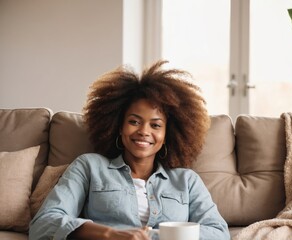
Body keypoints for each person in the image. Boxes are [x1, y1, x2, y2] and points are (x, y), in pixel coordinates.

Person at [29, 61, 230, 240]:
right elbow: (44, 224)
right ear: (119, 126)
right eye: (134, 122)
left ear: (168, 134)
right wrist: (110, 234)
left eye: (156, 125)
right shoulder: (89, 166)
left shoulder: (186, 181)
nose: (143, 131)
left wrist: (154, 236)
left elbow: (219, 232)